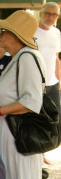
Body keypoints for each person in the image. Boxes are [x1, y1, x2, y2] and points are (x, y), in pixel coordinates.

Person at [0, 10, 46, 179]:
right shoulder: (18, 58)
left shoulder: (26, 58)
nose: (0, 36)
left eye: (4, 32)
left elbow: (32, 101)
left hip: (15, 136)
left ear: (15, 35)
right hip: (7, 133)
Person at [34, 3, 61, 164]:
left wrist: (59, 78)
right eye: (48, 14)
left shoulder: (57, 33)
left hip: (52, 83)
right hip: (36, 83)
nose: (50, 17)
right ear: (41, 14)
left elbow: (56, 57)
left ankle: (44, 149)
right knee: (38, 118)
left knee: (53, 117)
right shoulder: (32, 32)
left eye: (54, 15)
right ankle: (38, 152)